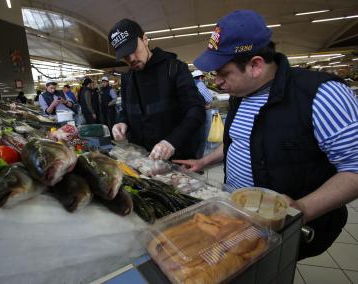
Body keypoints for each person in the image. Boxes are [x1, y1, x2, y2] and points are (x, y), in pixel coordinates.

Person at [173, 10, 358, 260]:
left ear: (255, 65)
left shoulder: (322, 95)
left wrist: (300, 209)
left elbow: (354, 169)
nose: (216, 82)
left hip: (292, 228)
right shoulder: (240, 95)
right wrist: (204, 161)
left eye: (222, 73)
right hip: (239, 219)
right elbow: (240, 142)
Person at [108, 18, 205, 160]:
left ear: (145, 39)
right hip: (142, 161)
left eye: (133, 49)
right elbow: (126, 110)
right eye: (125, 56)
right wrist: (122, 122)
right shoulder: (127, 79)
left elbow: (196, 110)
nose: (131, 59)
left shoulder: (175, 68)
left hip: (177, 159)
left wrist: (171, 142)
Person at [191, 70, 214, 158]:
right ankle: (197, 158)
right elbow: (209, 99)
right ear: (201, 77)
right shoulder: (199, 84)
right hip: (200, 113)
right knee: (201, 137)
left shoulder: (188, 84)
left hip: (188, 114)